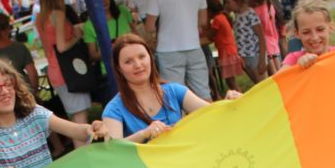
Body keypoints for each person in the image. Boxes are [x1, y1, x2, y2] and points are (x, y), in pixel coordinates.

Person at [101, 34, 240, 142]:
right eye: (128, 61)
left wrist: (230, 103)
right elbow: (113, 150)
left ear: (150, 58)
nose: (138, 65)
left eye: (142, 57)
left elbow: (212, 114)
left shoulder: (174, 91)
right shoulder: (114, 109)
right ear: (119, 69)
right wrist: (143, 134)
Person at [142, 0, 213, 100]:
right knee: (203, 94)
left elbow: (149, 27)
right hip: (193, 45)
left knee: (175, 97)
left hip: (168, 49)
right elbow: (202, 21)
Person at [35, 0, 94, 133]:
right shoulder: (58, 14)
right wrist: (77, 36)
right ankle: (85, 149)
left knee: (74, 121)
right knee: (81, 122)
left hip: (54, 71)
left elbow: (49, 47)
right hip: (69, 72)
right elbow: (61, 47)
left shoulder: (40, 18)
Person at [280, 0, 335, 68]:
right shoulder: (293, 59)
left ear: (331, 27)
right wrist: (298, 68)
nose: (314, 37)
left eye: (320, 29)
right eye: (306, 32)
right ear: (297, 33)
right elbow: (281, 75)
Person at [83, 0, 135, 69]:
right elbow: (93, 55)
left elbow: (135, 32)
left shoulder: (122, 11)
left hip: (134, 61)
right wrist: (111, 50)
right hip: (112, 69)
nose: (104, 0)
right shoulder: (89, 25)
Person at [224, 0, 268, 83]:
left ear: (238, 0)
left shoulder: (250, 14)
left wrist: (262, 60)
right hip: (245, 57)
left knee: (263, 84)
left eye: (228, 2)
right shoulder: (237, 15)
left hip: (255, 56)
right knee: (256, 84)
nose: (226, 5)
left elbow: (261, 37)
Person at [0, 14, 38, 89]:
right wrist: (34, 91)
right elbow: (33, 74)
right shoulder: (19, 47)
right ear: (7, 28)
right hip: (21, 89)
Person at [207, 0, 243, 92]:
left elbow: (210, 35)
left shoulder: (217, 20)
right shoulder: (222, 16)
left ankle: (239, 96)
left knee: (231, 82)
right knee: (231, 81)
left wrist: (207, 21)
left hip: (226, 52)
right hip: (229, 51)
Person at [248, 0, 283, 73]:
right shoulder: (270, 6)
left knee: (274, 73)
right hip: (273, 40)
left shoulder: (255, 11)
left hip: (265, 43)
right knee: (279, 70)